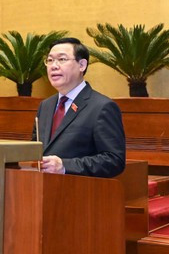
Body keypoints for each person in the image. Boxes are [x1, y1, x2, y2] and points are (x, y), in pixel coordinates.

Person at [32, 37, 125, 177]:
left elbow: (114, 160)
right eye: (50, 60)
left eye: (62, 59)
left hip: (79, 192)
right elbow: (34, 150)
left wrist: (65, 166)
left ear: (82, 65)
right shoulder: (45, 106)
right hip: (41, 189)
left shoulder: (102, 107)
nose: (54, 66)